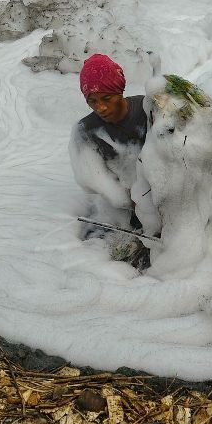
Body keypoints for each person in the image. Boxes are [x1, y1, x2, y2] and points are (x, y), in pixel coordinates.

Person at [69, 53, 152, 267]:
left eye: (107, 98)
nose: (101, 108)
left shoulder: (147, 110)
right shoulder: (85, 130)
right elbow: (94, 181)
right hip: (121, 206)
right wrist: (126, 199)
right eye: (92, 101)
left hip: (157, 194)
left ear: (119, 91)